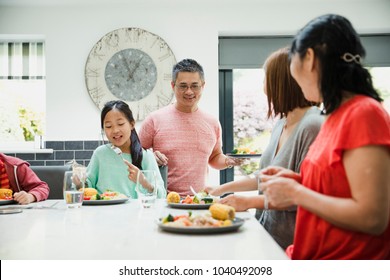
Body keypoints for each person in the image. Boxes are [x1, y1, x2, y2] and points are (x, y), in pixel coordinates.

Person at [259, 14, 390, 259]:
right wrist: (298, 181)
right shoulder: (333, 117)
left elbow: (372, 217)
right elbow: (337, 189)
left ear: (308, 58)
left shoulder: (364, 113)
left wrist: (296, 193)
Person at [205, 47, 323, 249]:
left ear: (282, 82)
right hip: (268, 235)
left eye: (265, 79)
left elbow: (308, 194)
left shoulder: (312, 125)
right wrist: (221, 189)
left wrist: (249, 202)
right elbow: (264, 177)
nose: (263, 87)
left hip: (294, 244)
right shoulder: (281, 123)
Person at [139, 58, 242, 196]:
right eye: (183, 86)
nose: (189, 91)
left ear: (202, 86)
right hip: (162, 199)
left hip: (199, 200)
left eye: (194, 86)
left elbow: (214, 157)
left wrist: (230, 161)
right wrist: (151, 157)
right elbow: (135, 155)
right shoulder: (154, 119)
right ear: (172, 85)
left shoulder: (212, 122)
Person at [86, 100, 166, 199]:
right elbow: (87, 187)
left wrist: (143, 181)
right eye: (108, 126)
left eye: (120, 124)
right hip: (103, 212)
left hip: (135, 213)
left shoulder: (146, 156)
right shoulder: (100, 154)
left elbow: (161, 195)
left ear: (132, 124)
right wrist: (78, 181)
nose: (115, 130)